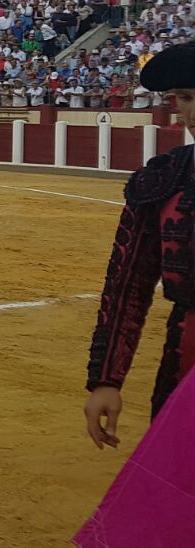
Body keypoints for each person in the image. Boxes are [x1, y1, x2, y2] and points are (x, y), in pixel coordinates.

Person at [85, 42, 195, 447]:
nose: (192, 114)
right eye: (184, 98)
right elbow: (128, 283)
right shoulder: (166, 177)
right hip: (186, 360)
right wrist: (106, 380)